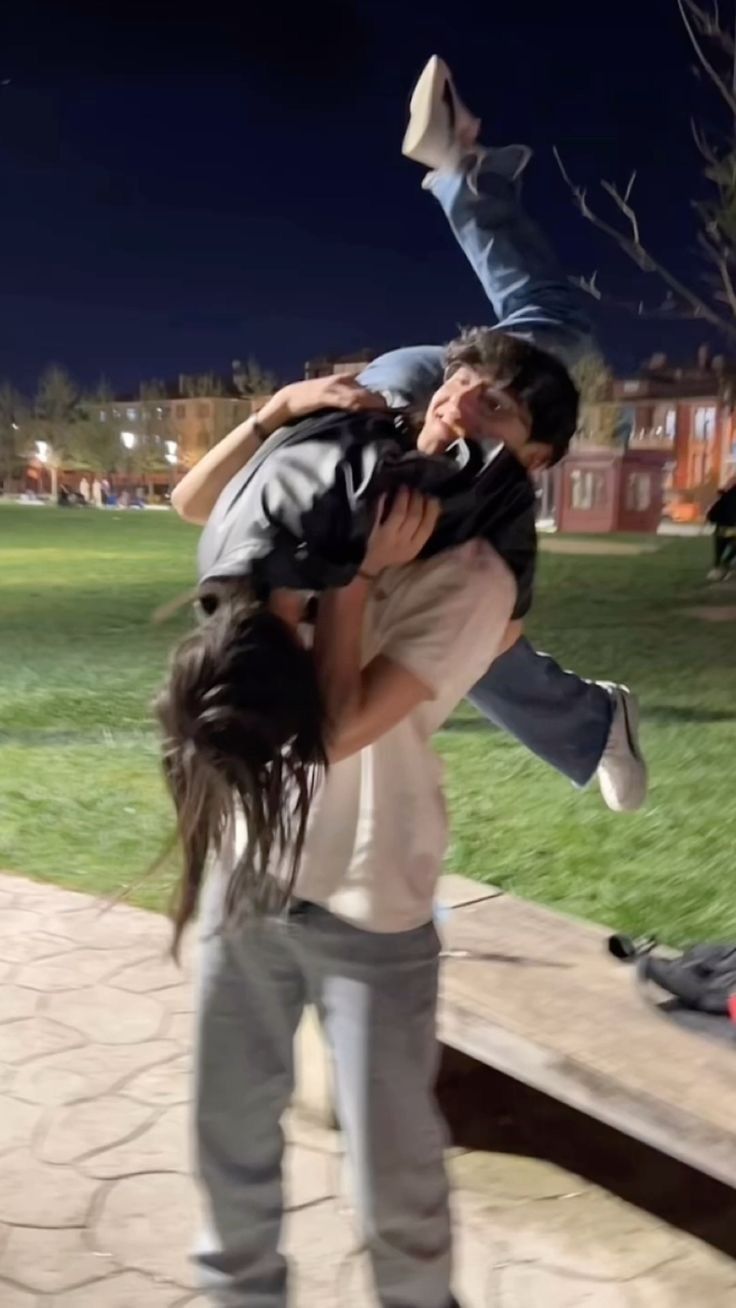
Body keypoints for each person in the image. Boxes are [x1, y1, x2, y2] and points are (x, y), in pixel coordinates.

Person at [173, 56, 646, 814]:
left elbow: (192, 502)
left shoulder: (303, 517)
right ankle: (593, 724)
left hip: (386, 403)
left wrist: (279, 406)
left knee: (541, 351)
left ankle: (462, 170)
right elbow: (486, 635)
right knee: (455, 597)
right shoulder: (293, 559)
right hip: (404, 436)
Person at [706, 476, 736, 581]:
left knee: (719, 550)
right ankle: (725, 564)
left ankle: (718, 567)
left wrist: (711, 519)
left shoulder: (724, 497)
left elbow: (713, 513)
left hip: (722, 527)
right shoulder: (728, 498)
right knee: (730, 547)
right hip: (729, 527)